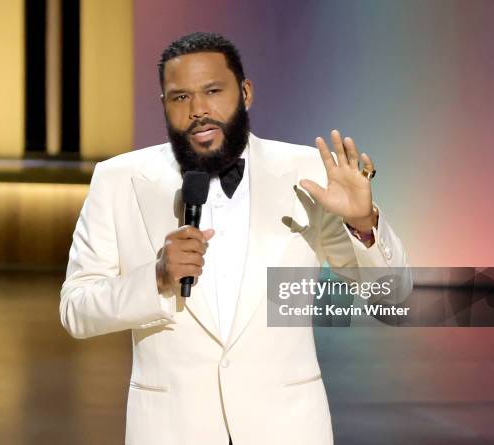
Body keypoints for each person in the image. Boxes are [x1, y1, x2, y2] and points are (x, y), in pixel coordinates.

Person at [60, 32, 410, 445]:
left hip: (287, 430)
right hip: (171, 432)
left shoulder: (308, 173)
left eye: (212, 91)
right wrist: (154, 279)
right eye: (180, 97)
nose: (198, 111)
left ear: (245, 93)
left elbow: (392, 297)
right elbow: (76, 311)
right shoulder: (118, 179)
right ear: (164, 106)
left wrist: (363, 224)